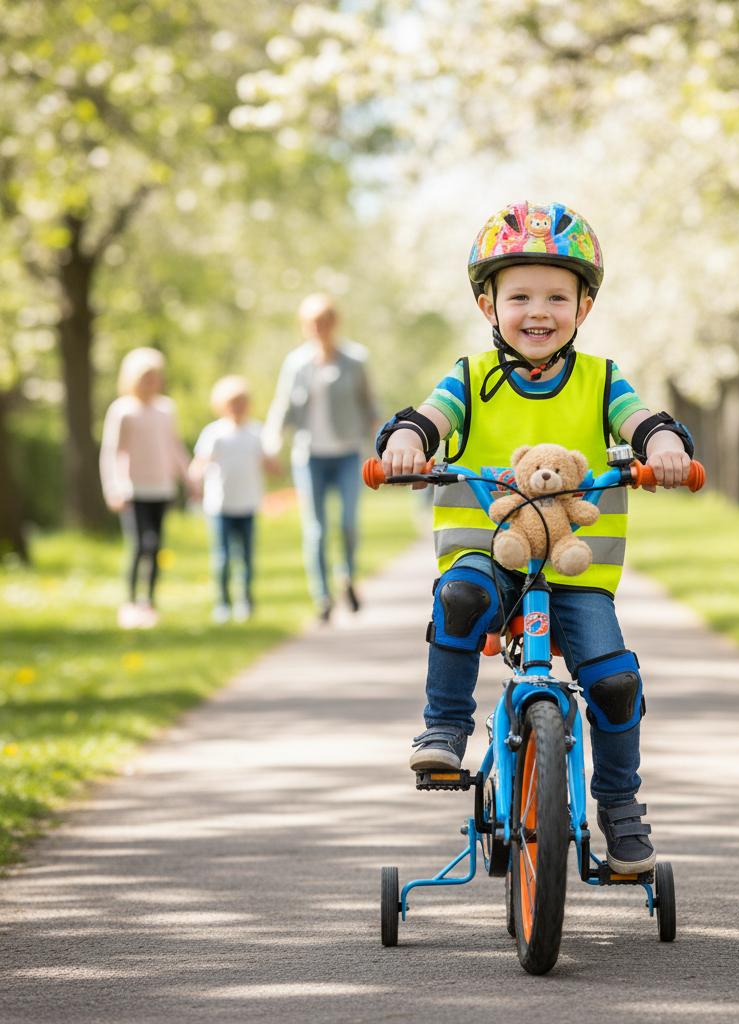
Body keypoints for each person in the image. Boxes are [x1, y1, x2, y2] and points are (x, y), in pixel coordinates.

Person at [378, 201, 695, 874]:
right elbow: (427, 419)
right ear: (489, 306)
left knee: (615, 683)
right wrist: (407, 443)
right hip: (485, 557)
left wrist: (663, 447)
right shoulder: (469, 378)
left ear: (583, 307)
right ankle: (444, 726)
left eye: (557, 295)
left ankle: (619, 804)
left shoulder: (601, 379)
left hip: (577, 574)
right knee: (459, 597)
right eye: (519, 295)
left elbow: (643, 421)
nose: (538, 311)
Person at [263, 293, 378, 623]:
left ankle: (347, 578)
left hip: (346, 454)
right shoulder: (296, 364)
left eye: (325, 322)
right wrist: (271, 445)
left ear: (335, 323)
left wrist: (378, 449)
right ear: (305, 327)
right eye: (313, 323)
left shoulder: (355, 360)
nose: (319, 328)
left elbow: (370, 407)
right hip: (309, 454)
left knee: (348, 523)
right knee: (315, 529)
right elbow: (282, 407)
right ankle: (322, 596)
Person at [100, 347, 193, 629]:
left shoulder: (166, 409)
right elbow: (112, 452)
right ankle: (129, 603)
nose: (150, 383)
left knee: (156, 547)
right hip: (133, 490)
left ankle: (149, 602)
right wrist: (113, 487)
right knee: (140, 544)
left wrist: (189, 477)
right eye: (144, 378)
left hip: (161, 489)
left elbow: (174, 446)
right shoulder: (122, 410)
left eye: (154, 377)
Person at [190, 375, 271, 624]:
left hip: (247, 504)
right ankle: (223, 602)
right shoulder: (214, 433)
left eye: (242, 402)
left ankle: (246, 601)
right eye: (232, 402)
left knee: (246, 557)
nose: (238, 407)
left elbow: (268, 462)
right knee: (223, 557)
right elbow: (199, 464)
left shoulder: (256, 432)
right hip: (220, 506)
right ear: (222, 405)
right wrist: (194, 484)